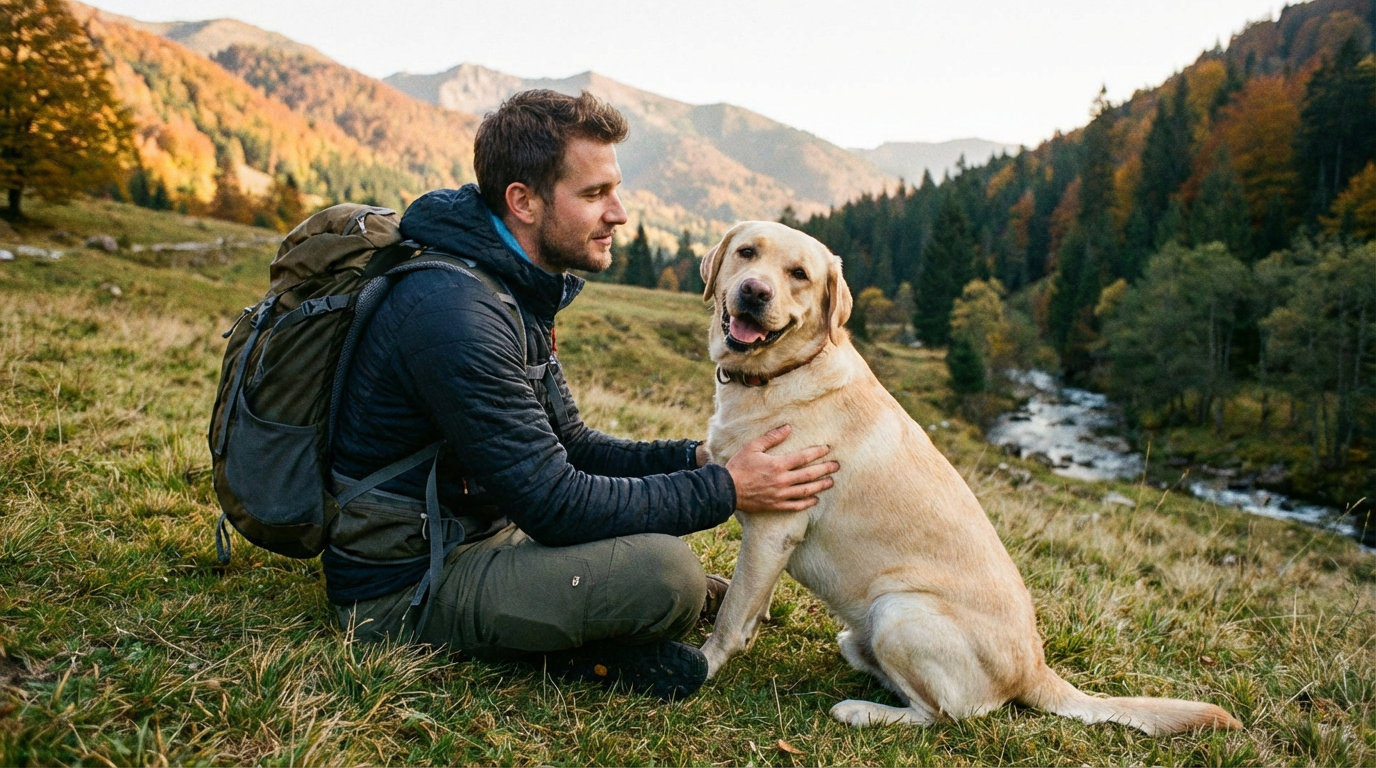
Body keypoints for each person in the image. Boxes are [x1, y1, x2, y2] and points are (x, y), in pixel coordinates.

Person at [328, 89, 838, 701]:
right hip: (405, 586)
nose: (618, 213)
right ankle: (588, 654)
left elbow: (571, 444)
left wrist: (696, 461)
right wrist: (727, 490)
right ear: (523, 201)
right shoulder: (455, 313)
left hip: (476, 529)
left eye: (614, 190)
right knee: (668, 576)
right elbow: (555, 502)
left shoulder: (509, 286)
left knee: (658, 553)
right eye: (595, 194)